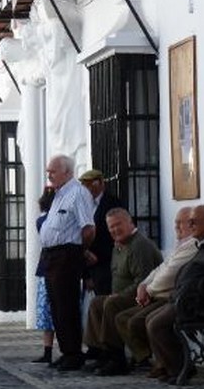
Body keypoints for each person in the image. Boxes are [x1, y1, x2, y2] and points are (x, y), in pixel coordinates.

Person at [145, 203, 204, 385]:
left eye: (194, 221)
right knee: (150, 319)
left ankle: (182, 368)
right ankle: (171, 366)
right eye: (189, 222)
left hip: (203, 305)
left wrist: (192, 285)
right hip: (188, 300)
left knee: (156, 324)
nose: (190, 226)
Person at [116, 206, 198, 377]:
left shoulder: (192, 245)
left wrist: (149, 290)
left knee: (144, 321)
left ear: (192, 225)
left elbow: (170, 274)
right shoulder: (182, 244)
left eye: (180, 224)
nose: (176, 227)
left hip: (169, 297)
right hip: (159, 295)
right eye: (175, 223)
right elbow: (160, 269)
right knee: (124, 317)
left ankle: (167, 364)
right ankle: (152, 360)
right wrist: (143, 286)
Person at [82, 208, 162, 376]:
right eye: (111, 227)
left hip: (145, 298)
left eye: (118, 225)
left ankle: (116, 358)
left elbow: (144, 281)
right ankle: (100, 351)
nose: (114, 230)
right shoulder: (118, 245)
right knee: (97, 302)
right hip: (124, 296)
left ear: (130, 222)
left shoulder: (139, 245)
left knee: (111, 303)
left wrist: (120, 295)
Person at [40, 154, 97, 371]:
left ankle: (74, 353)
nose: (49, 175)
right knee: (56, 306)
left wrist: (80, 251)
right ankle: (66, 351)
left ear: (67, 172)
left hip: (67, 254)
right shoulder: (58, 195)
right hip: (52, 255)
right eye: (48, 171)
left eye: (53, 171)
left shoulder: (77, 193)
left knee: (67, 305)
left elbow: (88, 228)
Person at [78, 169, 125, 297]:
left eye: (87, 185)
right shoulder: (84, 205)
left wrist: (98, 257)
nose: (84, 189)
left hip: (106, 264)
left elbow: (117, 236)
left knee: (104, 302)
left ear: (98, 184)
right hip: (87, 262)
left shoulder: (112, 203)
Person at [31, 188, 56, 364]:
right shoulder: (46, 220)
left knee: (47, 313)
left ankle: (48, 351)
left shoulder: (41, 220)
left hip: (45, 267)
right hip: (54, 266)